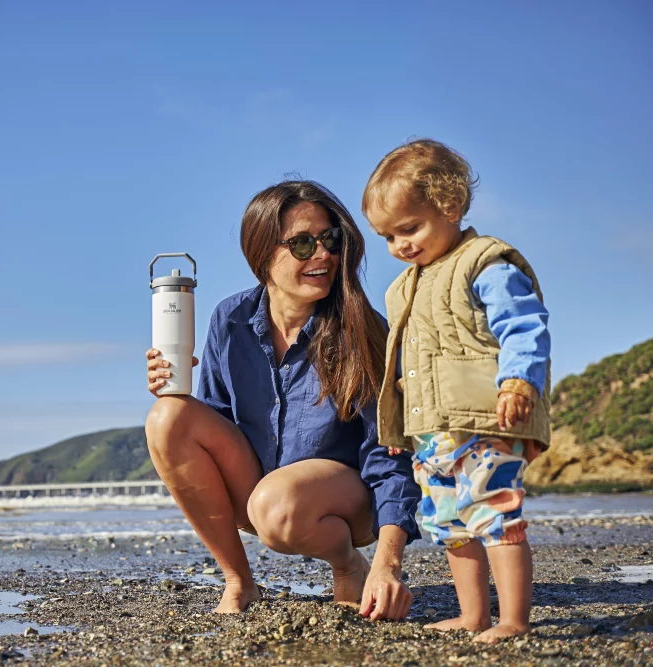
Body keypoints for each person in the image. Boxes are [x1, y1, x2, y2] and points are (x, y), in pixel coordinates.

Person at [145, 180, 421, 616]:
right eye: (303, 243)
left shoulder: (362, 329)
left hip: (345, 499)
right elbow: (216, 427)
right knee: (166, 416)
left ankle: (348, 562)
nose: (324, 255)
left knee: (275, 503)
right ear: (262, 255)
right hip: (261, 494)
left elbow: (390, 456)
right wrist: (178, 396)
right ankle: (239, 582)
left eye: (330, 239)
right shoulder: (229, 319)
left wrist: (389, 566)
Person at [363, 139, 551, 642]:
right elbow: (406, 366)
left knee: (493, 511)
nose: (399, 245)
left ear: (451, 205)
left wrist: (518, 381)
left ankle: (513, 619)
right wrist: (400, 425)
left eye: (409, 228)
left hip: (487, 417)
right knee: (449, 522)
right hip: (433, 432)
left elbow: (524, 326)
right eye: (387, 236)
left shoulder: (484, 263)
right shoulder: (403, 287)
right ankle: (474, 616)